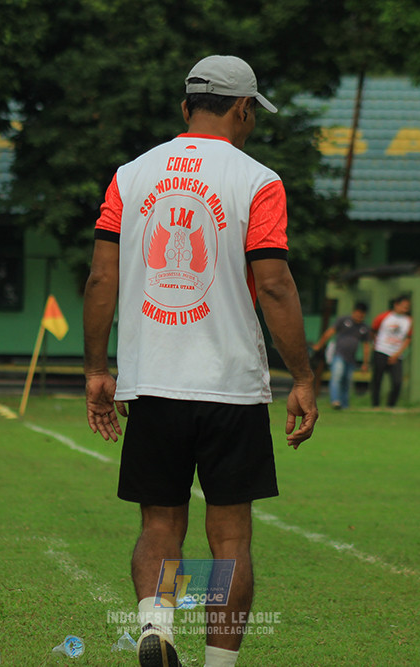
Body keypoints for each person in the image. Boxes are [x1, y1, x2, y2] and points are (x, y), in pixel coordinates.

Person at [82, 55, 318, 667]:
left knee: (161, 526)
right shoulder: (258, 180)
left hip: (152, 384)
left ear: (186, 105)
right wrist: (304, 377)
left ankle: (157, 625)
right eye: (252, 115)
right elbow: (274, 285)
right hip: (229, 388)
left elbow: (102, 276)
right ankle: (218, 665)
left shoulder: (129, 176)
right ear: (242, 109)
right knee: (229, 537)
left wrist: (96, 371)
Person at [311, 302, 370, 409]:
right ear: (354, 312)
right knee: (337, 376)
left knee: (347, 381)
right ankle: (335, 401)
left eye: (362, 315)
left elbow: (366, 346)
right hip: (339, 354)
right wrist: (320, 344)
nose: (359, 317)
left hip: (351, 358)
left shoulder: (364, 327)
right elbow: (330, 332)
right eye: (358, 314)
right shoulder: (343, 321)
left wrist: (365, 363)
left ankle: (345, 404)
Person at [370, 295, 412, 407]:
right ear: (396, 305)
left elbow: (408, 338)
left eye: (407, 307)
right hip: (381, 350)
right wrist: (376, 346)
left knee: (397, 382)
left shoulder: (408, 321)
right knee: (377, 379)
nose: (405, 309)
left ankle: (391, 405)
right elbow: (373, 331)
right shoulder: (383, 317)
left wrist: (397, 354)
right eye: (403, 306)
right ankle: (375, 405)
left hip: (397, 354)